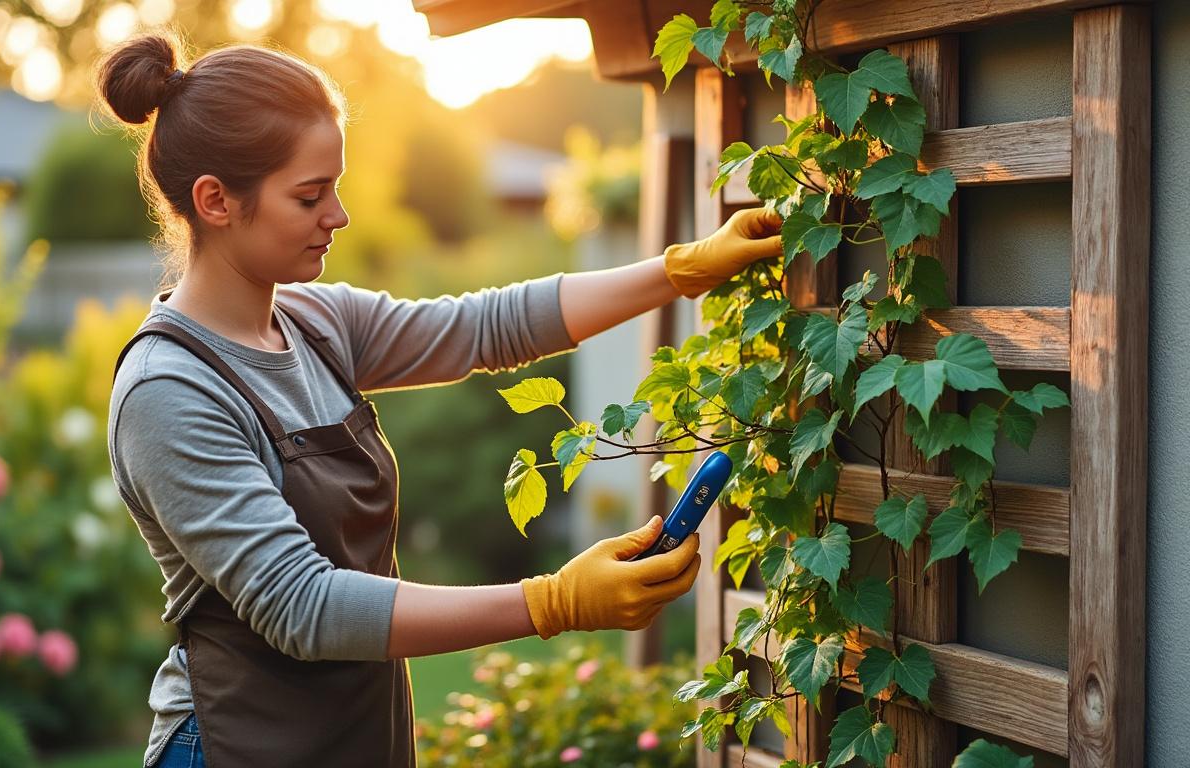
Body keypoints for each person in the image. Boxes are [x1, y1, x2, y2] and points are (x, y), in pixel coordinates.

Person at [100, 31, 783, 768]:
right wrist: (551, 602)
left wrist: (681, 270)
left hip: (357, 740)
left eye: (335, 186)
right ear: (215, 201)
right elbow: (303, 606)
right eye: (309, 195)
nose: (339, 214)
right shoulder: (170, 390)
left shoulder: (315, 323)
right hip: (237, 746)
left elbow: (485, 327)